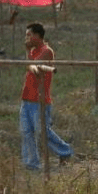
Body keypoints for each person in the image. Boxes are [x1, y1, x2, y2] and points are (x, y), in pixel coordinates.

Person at [20, 22, 73, 171]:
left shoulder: (46, 51)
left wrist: (28, 58)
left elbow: (34, 68)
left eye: (29, 35)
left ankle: (65, 151)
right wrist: (28, 58)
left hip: (40, 99)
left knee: (42, 131)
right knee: (26, 132)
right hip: (27, 97)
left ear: (37, 36)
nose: (27, 39)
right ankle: (31, 163)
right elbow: (29, 66)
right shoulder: (32, 51)